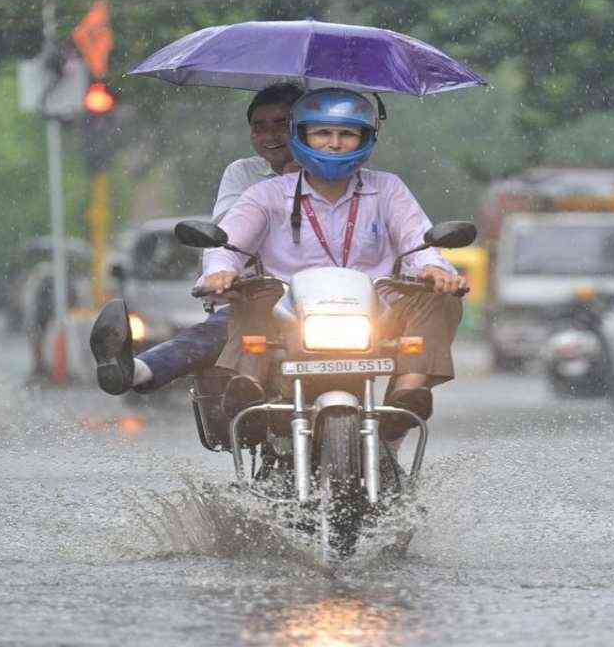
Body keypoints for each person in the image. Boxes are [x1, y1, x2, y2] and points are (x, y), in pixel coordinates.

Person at [95, 87, 467, 419]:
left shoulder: (387, 188)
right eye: (322, 133)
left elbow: (419, 241)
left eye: (347, 134)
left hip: (373, 307)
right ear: (301, 135)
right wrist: (220, 273)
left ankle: (406, 396)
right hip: (286, 304)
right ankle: (249, 395)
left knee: (438, 300)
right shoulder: (261, 190)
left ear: (367, 139)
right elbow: (229, 242)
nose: (334, 144)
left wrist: (436, 269)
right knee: (250, 298)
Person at [91, 83, 303, 395]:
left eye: (282, 125)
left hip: (338, 304)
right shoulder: (245, 176)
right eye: (260, 127)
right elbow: (230, 236)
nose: (271, 136)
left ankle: (395, 413)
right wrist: (221, 270)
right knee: (219, 330)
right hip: (261, 295)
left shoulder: (361, 182)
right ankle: (135, 369)